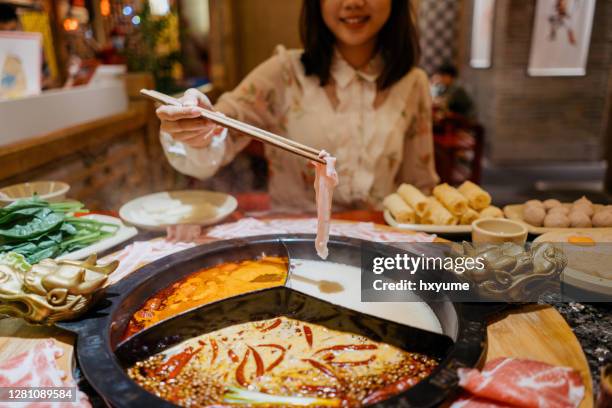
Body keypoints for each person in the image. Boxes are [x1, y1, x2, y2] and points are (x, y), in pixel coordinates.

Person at [157, 0, 438, 212]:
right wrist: (196, 126)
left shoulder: (413, 83)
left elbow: (419, 187)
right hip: (293, 247)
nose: (352, 2)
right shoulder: (284, 72)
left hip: (375, 250)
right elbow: (222, 128)